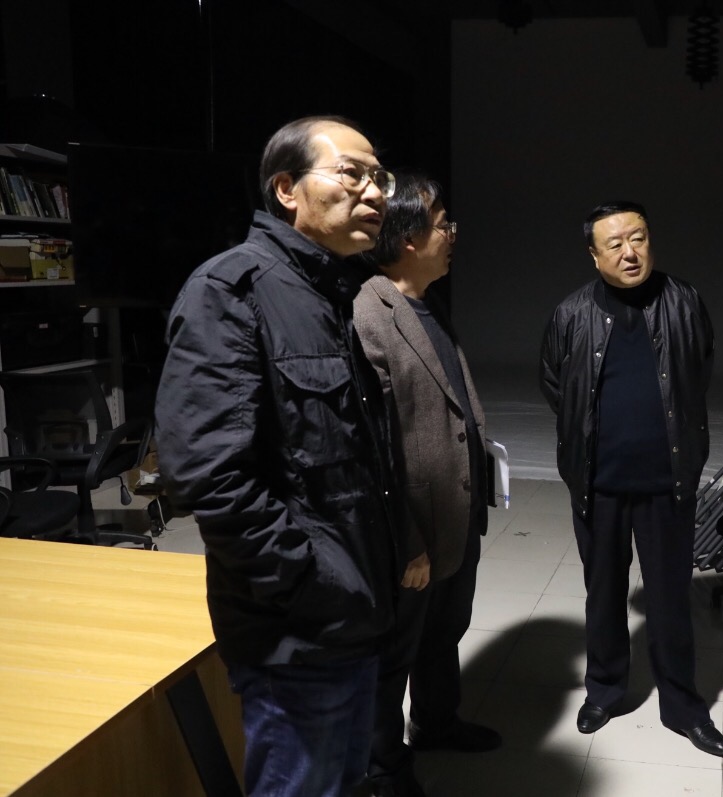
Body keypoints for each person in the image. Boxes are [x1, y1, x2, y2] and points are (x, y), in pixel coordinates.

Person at [156, 116, 424, 797]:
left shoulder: (329, 292)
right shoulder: (232, 291)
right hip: (300, 633)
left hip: (352, 616)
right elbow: (209, 475)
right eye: (352, 173)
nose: (375, 193)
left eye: (380, 178)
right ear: (286, 189)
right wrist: (313, 587)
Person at [539, 200, 723, 758]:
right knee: (602, 594)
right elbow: (555, 383)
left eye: (639, 238)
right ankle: (604, 690)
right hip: (597, 482)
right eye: (615, 243)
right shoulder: (571, 313)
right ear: (594, 254)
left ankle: (683, 707)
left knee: (670, 599)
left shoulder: (684, 302)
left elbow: (699, 370)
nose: (630, 252)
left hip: (667, 481)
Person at [353, 174, 500, 796]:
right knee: (395, 654)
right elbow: (378, 446)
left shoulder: (427, 303)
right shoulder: (370, 314)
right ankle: (384, 768)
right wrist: (407, 541)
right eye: (444, 225)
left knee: (445, 632)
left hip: (455, 515)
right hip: (415, 528)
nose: (452, 235)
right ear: (409, 238)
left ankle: (437, 722)